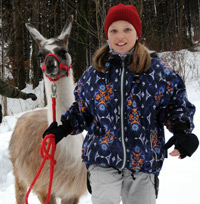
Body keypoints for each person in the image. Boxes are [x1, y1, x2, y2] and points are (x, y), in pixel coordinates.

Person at [43, 4, 199, 204]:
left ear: (137, 33)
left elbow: (174, 105)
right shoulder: (95, 73)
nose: (120, 36)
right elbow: (82, 109)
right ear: (107, 35)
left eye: (127, 29)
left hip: (144, 160)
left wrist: (182, 131)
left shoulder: (157, 72)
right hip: (102, 159)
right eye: (113, 30)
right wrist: (63, 128)